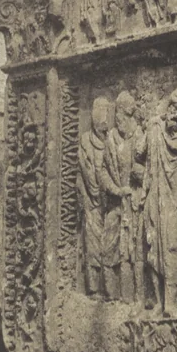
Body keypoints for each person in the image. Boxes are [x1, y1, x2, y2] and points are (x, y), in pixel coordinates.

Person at [144, 86, 177, 316]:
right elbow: (139, 153)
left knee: (171, 246)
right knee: (153, 248)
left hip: (173, 201)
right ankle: (159, 302)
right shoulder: (154, 128)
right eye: (174, 107)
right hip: (154, 195)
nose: (176, 113)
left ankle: (171, 303)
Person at [100, 90, 146, 302]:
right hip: (115, 203)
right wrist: (117, 190)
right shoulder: (110, 139)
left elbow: (149, 171)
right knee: (109, 247)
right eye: (116, 113)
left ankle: (133, 298)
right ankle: (111, 296)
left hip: (135, 205)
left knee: (132, 251)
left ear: (129, 115)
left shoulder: (139, 137)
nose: (118, 118)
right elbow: (103, 172)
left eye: (122, 114)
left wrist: (141, 176)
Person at [78, 97, 112, 296]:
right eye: (97, 111)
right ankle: (92, 288)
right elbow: (84, 172)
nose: (101, 117)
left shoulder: (111, 142)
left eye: (104, 112)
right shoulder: (85, 142)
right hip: (91, 203)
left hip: (108, 201)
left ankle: (108, 288)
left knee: (108, 246)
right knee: (92, 244)